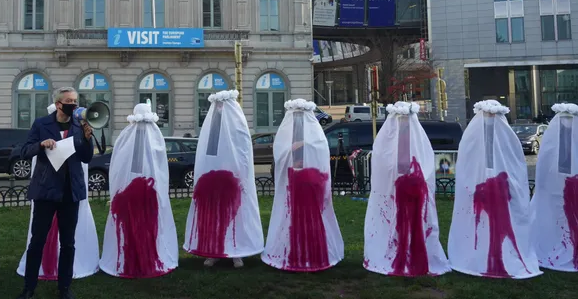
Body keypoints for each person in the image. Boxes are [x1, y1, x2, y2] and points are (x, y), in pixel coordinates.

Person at [447, 100, 541, 279]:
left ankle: (499, 256)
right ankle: (481, 255)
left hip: (500, 192)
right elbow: (467, 163)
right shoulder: (472, 137)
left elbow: (514, 163)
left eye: (492, 116)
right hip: (481, 191)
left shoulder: (506, 137)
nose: (489, 119)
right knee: (482, 226)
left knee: (501, 229)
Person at [17, 87, 94, 299]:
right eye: (70, 101)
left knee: (68, 243)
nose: (74, 105)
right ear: (59, 104)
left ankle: (64, 288)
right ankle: (29, 287)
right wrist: (41, 145)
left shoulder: (79, 125)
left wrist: (88, 139)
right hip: (46, 190)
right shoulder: (42, 124)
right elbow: (25, 151)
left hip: (71, 191)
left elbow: (86, 158)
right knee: (37, 241)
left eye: (76, 100)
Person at [363, 101, 450, 277]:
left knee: (415, 223)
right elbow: (384, 166)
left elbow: (424, 164)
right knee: (395, 222)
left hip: (413, 189)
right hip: (396, 191)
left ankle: (414, 253)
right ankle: (398, 252)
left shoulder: (417, 140)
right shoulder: (388, 142)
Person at [183, 90, 263, 268]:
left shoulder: (237, 126)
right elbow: (207, 153)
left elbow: (242, 152)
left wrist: (241, 175)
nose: (220, 109)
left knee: (234, 216)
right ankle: (213, 251)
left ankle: (236, 251)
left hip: (231, 179)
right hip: (214, 178)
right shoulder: (212, 127)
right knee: (213, 216)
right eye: (218, 107)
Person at [262, 99, 344, 272]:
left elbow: (319, 155)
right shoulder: (290, 137)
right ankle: (295, 252)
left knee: (310, 218)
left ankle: (313, 253)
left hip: (310, 182)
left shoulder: (315, 137)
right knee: (293, 218)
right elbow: (282, 156)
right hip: (294, 182)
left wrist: (301, 147)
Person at [100, 103, 178, 278]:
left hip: (138, 192)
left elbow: (120, 164)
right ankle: (138, 258)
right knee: (139, 226)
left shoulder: (128, 136)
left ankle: (138, 257)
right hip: (139, 192)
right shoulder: (146, 135)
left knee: (138, 226)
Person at [531, 103, 578, 272]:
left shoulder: (556, 136)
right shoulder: (553, 138)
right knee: (557, 217)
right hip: (556, 187)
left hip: (568, 186)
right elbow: (546, 162)